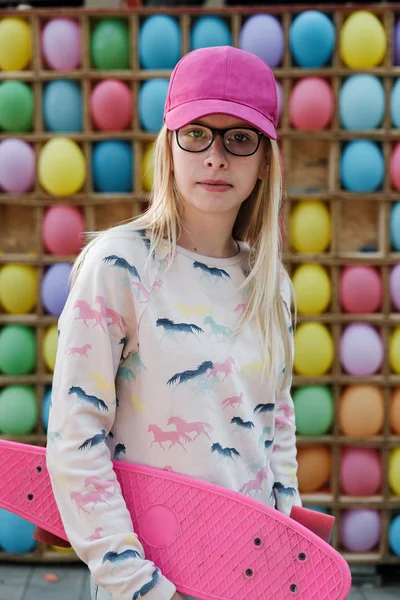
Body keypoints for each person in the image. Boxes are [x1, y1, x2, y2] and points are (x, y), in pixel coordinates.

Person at [46, 45, 301, 600]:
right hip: (153, 581)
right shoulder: (118, 267)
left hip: (253, 577)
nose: (216, 156)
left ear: (264, 164)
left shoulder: (272, 286)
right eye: (197, 133)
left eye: (240, 138)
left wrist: (290, 551)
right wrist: (144, 588)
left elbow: (275, 423)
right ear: (170, 146)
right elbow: (75, 437)